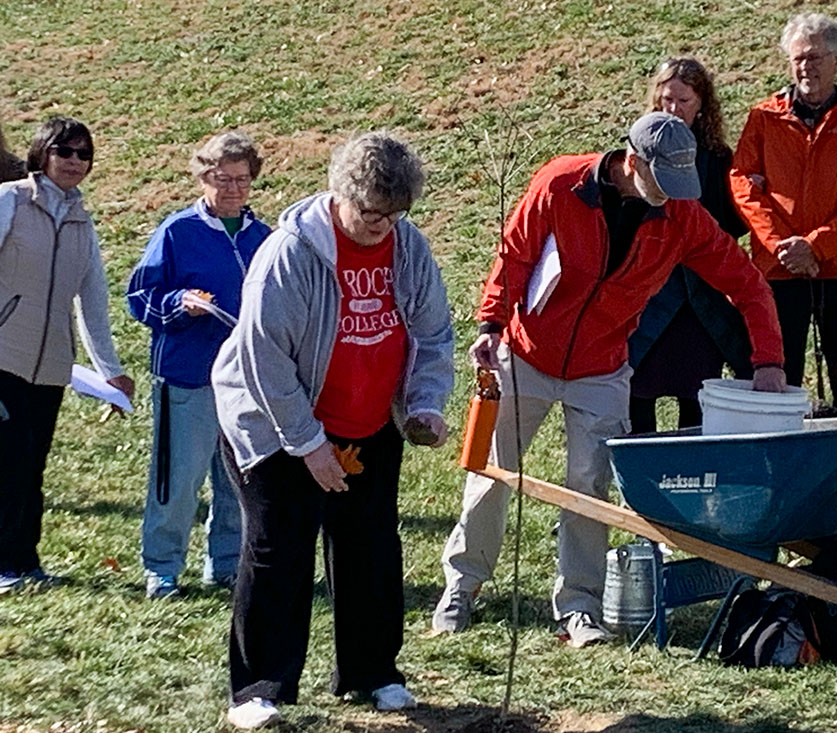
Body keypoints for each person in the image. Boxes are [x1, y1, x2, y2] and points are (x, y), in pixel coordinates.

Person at [433, 112, 786, 646]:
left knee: (588, 488)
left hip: (602, 369)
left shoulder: (683, 218)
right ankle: (462, 586)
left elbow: (747, 284)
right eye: (663, 184)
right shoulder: (559, 184)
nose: (671, 197)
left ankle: (579, 607)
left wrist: (769, 360)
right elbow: (515, 254)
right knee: (493, 475)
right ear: (634, 162)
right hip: (526, 354)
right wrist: (491, 324)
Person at [212, 132, 453, 728]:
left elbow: (432, 334)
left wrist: (424, 404)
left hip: (368, 423)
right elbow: (262, 358)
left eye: (393, 215)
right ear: (340, 194)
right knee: (278, 551)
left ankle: (372, 672)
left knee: (370, 547)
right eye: (370, 212)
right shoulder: (290, 254)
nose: (380, 226)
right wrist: (307, 445)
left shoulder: (408, 248)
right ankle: (260, 687)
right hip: (274, 425)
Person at [127, 131, 270, 599]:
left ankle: (226, 563)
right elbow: (140, 296)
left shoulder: (264, 238)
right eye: (220, 178)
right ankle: (163, 567)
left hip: (244, 382)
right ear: (203, 177)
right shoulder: (176, 232)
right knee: (178, 478)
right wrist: (178, 302)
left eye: (241, 179)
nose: (231, 189)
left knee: (236, 479)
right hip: (187, 375)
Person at [0, 117, 134, 594]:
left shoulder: (81, 219)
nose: (75, 161)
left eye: (84, 154)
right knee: (7, 462)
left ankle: (23, 561)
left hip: (52, 365)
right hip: (4, 358)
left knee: (32, 466)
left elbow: (93, 300)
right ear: (42, 153)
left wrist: (112, 372)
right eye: (65, 151)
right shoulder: (11, 200)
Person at [731, 13, 837, 416]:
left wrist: (816, 247)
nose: (805, 66)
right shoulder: (763, 119)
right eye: (798, 57)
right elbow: (742, 183)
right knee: (782, 379)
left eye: (815, 57)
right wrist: (782, 246)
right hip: (778, 270)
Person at [628, 58, 752, 432]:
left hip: (699, 299)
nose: (673, 109)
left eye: (683, 101)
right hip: (651, 293)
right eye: (666, 99)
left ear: (701, 105)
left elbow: (730, 226)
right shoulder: (641, 152)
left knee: (695, 391)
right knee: (639, 386)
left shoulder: (717, 159)